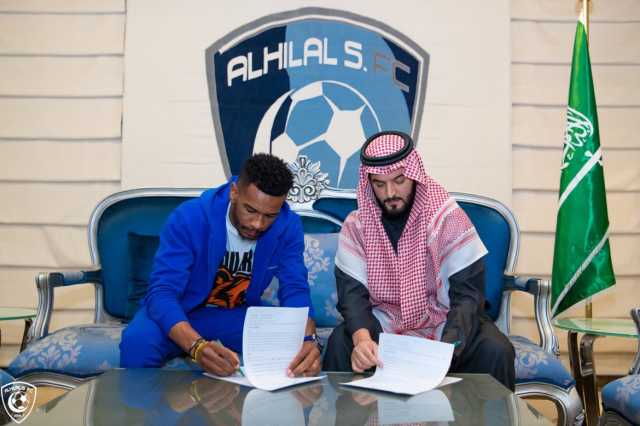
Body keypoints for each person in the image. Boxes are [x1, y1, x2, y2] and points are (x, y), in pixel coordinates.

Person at [322, 131, 515, 390]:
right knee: (340, 343)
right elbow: (352, 295)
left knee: (495, 350)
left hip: (444, 322)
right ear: (369, 183)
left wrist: (446, 351)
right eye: (379, 184)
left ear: (414, 175)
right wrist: (362, 341)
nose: (390, 192)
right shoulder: (358, 225)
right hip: (386, 323)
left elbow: (468, 295)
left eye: (399, 180)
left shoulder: (446, 218)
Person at [120, 153, 321, 377]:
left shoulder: (288, 226)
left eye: (269, 216)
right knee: (137, 342)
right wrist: (196, 346)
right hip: (182, 310)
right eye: (250, 210)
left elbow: (294, 287)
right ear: (234, 192)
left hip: (234, 315)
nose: (258, 224)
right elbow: (162, 292)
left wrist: (307, 338)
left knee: (291, 341)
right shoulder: (190, 217)